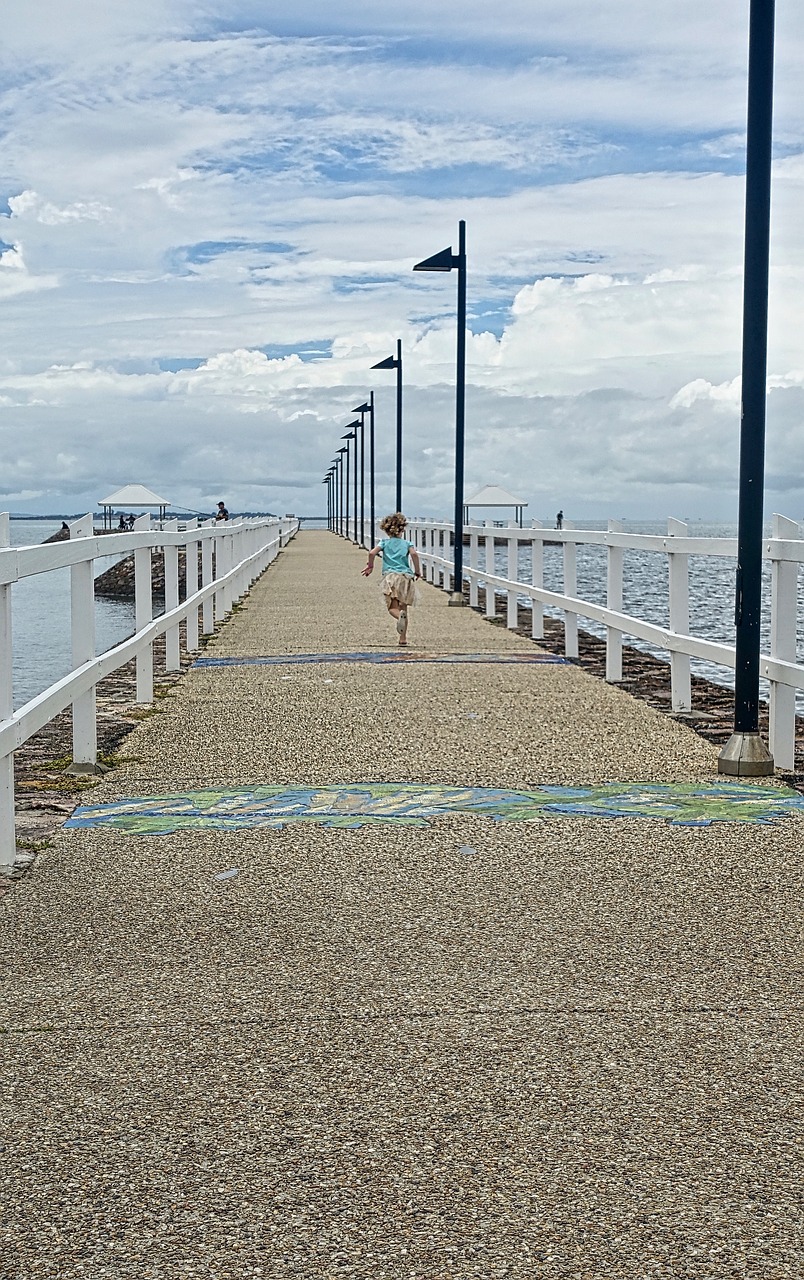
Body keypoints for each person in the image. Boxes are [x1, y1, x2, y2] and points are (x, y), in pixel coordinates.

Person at [362, 511, 422, 646]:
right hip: (405, 577)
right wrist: (417, 571)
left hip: (390, 578)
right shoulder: (407, 543)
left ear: (386, 530)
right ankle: (403, 639)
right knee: (404, 607)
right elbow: (414, 555)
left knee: (392, 607)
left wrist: (370, 566)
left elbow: (372, 552)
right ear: (402, 529)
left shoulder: (384, 543)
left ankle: (398, 616)